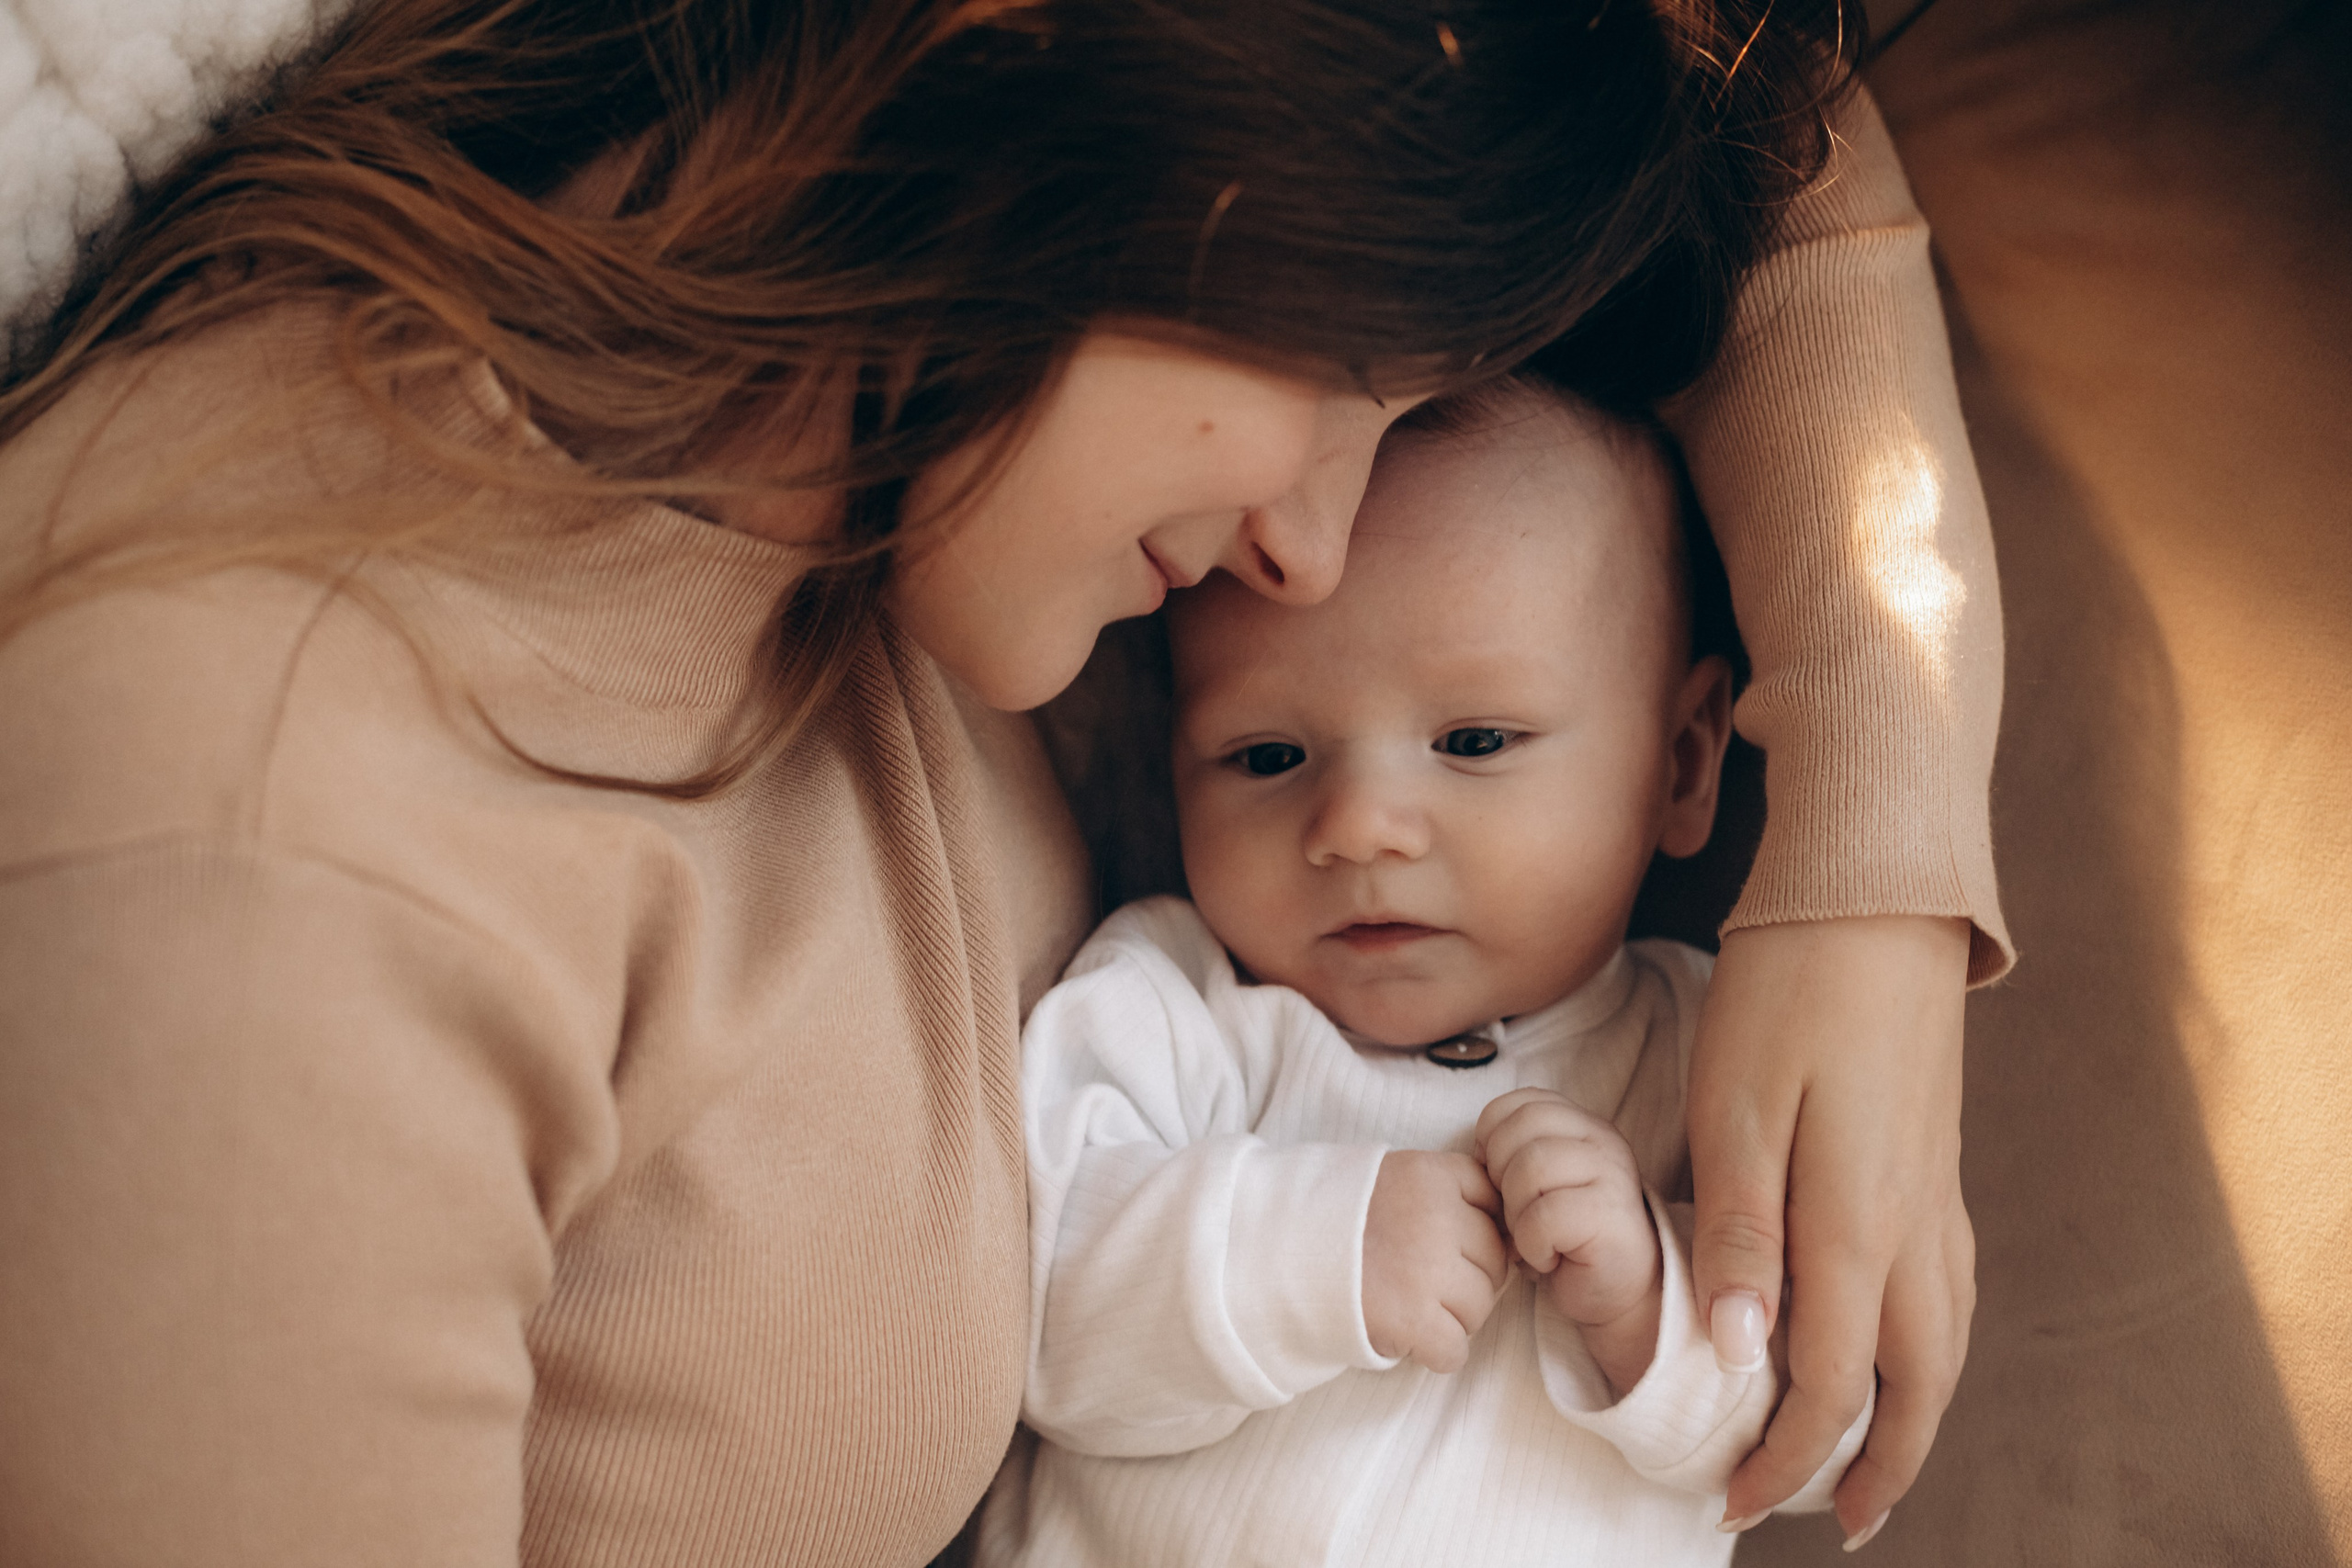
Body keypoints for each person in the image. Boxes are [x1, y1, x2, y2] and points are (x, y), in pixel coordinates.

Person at [0, 2, 2005, 1565]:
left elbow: (1754, 131)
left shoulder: (930, 426)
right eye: (1349, 373)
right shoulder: (269, 855)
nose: (1309, 548)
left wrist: (1869, 875)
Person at [986, 378, 1872, 1566]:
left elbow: (1823, 1423)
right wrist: (1315, 1251)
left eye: (1472, 742)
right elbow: (1032, 1325)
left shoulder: (1715, 1055)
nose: (1358, 826)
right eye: (1266, 754)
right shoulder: (1171, 1006)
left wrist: (1652, 1308)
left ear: (1681, 761)